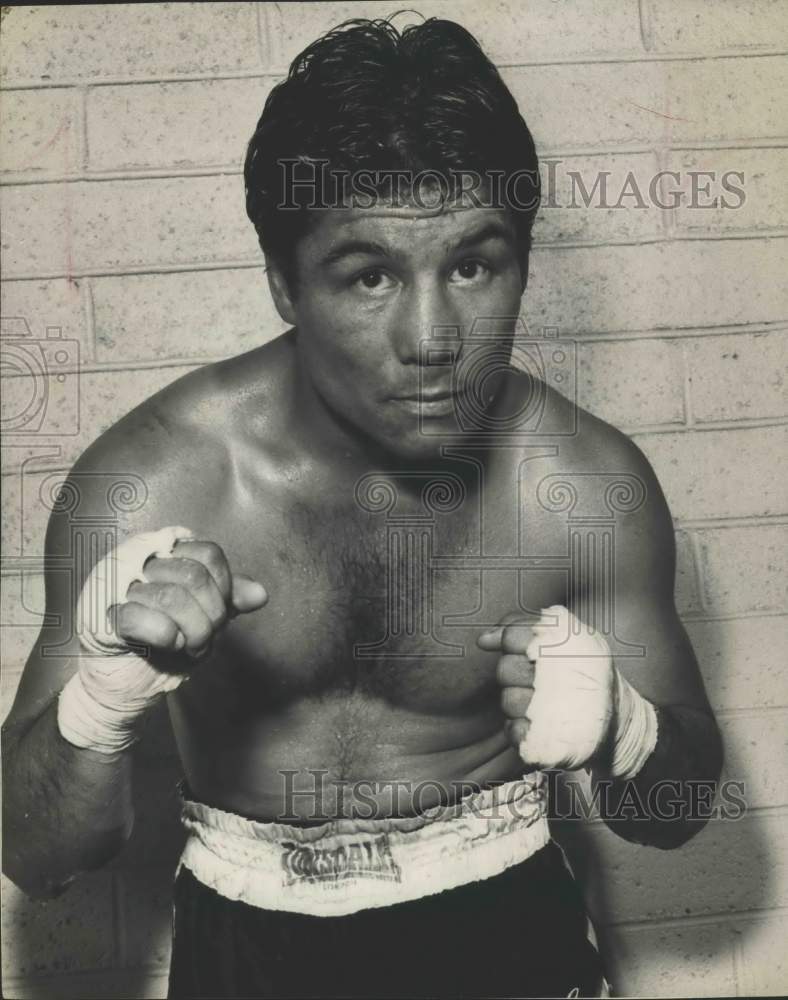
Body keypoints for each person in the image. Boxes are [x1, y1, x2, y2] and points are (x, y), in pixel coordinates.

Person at [2, 17, 723, 999]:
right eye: (369, 275)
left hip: (505, 920)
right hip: (248, 944)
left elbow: (675, 811)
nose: (431, 339)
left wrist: (625, 729)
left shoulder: (581, 486)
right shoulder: (155, 482)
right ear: (283, 284)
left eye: (471, 264)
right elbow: (35, 856)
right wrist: (101, 699)